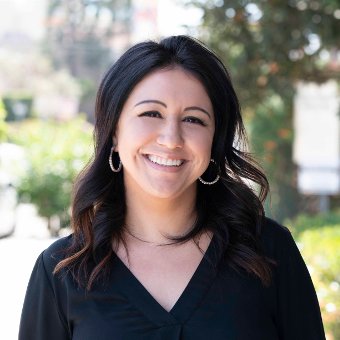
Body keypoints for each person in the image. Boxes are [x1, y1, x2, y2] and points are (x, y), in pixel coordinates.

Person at [19, 35, 325, 340]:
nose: (171, 139)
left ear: (215, 141)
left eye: (194, 119)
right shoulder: (62, 270)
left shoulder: (269, 251)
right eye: (151, 113)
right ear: (114, 131)